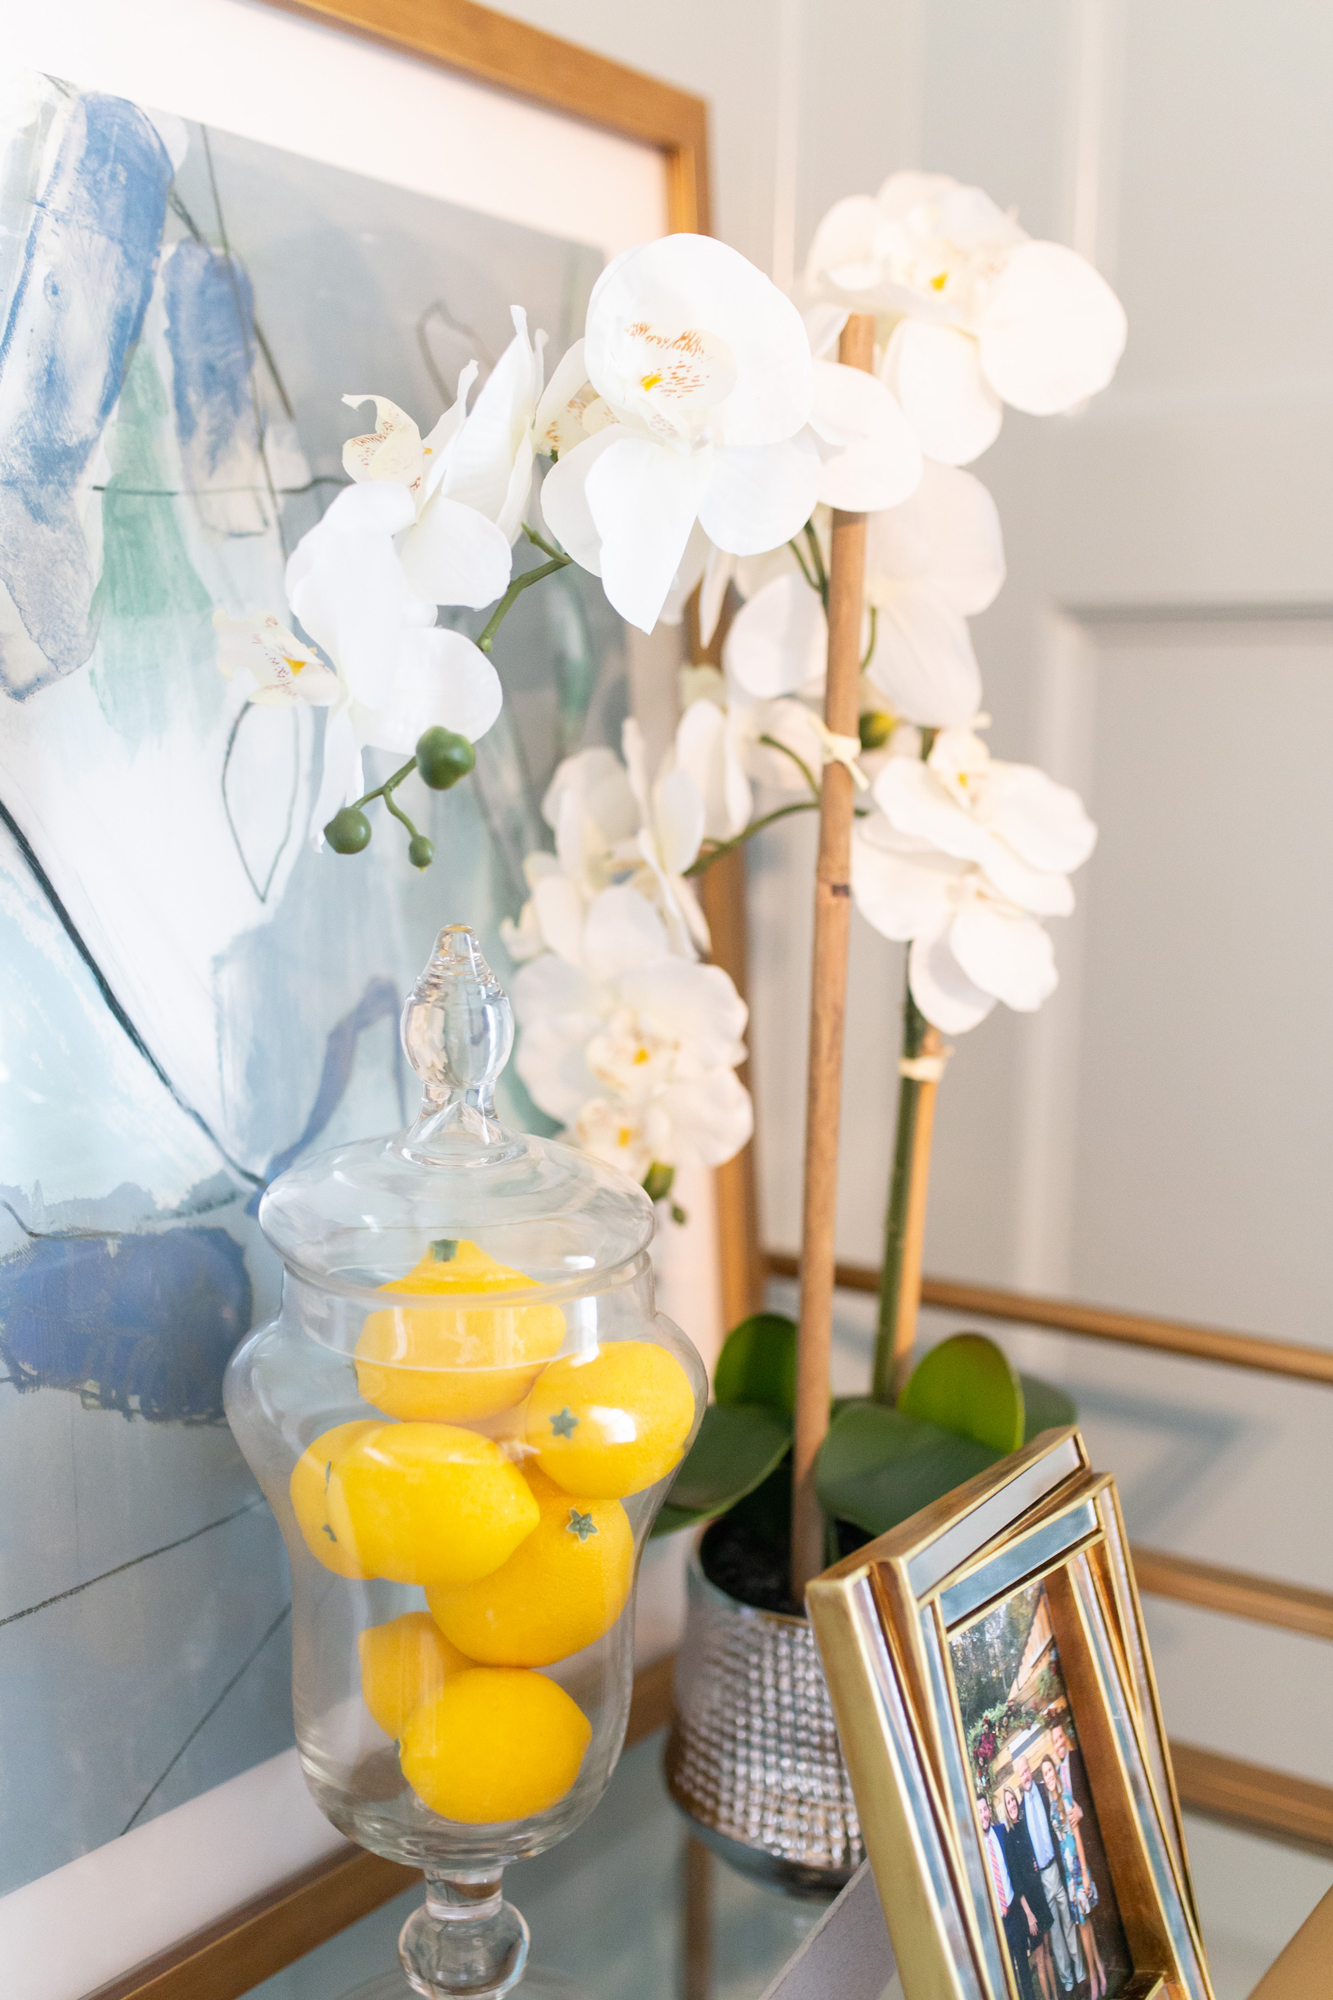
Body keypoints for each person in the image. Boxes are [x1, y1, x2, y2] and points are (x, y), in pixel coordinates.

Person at [1013, 1752, 1085, 1993]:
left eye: (1026, 1770)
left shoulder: (1045, 1791)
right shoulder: (1020, 1811)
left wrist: (1079, 1811)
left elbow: (1067, 1803)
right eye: (1020, 1773)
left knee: (1069, 1924)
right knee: (1055, 1932)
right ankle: (1066, 1979)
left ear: (1031, 1769)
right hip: (1041, 1880)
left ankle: (1080, 1971)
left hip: (1057, 1867)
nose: (1025, 1775)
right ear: (1018, 1777)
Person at [1042, 1755, 1107, 2000]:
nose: (1048, 1776)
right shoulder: (1051, 1803)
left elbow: (1077, 1837)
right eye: (1044, 1773)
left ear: (1056, 1774)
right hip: (1067, 1875)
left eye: (1050, 1771)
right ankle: (1098, 1969)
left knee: (1084, 1925)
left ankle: (1092, 1978)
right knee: (1083, 1925)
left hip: (1078, 1870)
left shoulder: (1066, 1797)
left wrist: (1085, 1876)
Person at [977, 1791, 1037, 2000]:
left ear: (989, 1811)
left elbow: (1015, 1868)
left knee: (1025, 1972)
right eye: (979, 1812)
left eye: (985, 1809)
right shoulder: (975, 1852)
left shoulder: (1002, 1833)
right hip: (998, 1924)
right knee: (1008, 1979)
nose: (983, 1815)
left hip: (1014, 1914)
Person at [1001, 1784, 1056, 2000]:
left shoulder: (1024, 1825)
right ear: (1005, 1809)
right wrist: (1029, 1914)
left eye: (1013, 1800)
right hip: (1028, 1906)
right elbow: (1015, 1878)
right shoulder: (1007, 1835)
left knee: (1048, 1952)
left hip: (1039, 1895)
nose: (1012, 1804)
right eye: (1008, 1803)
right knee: (1040, 1957)